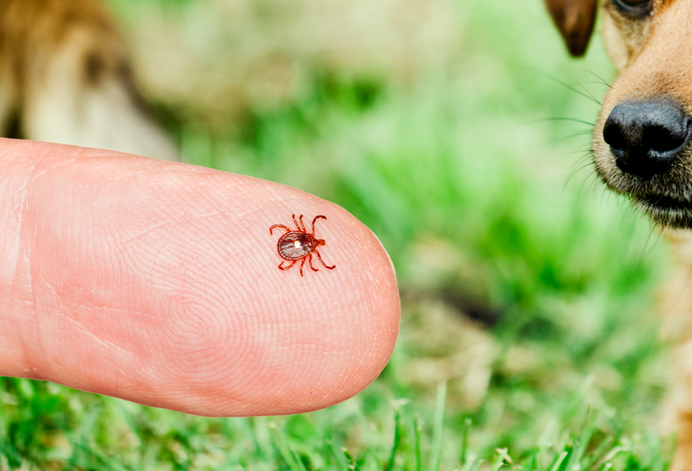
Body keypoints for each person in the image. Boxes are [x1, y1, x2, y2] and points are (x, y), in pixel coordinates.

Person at [0, 139, 400, 417]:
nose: (309, 241)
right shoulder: (302, 241)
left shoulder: (299, 239)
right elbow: (293, 246)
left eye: (309, 242)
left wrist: (297, 250)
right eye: (309, 239)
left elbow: (290, 241)